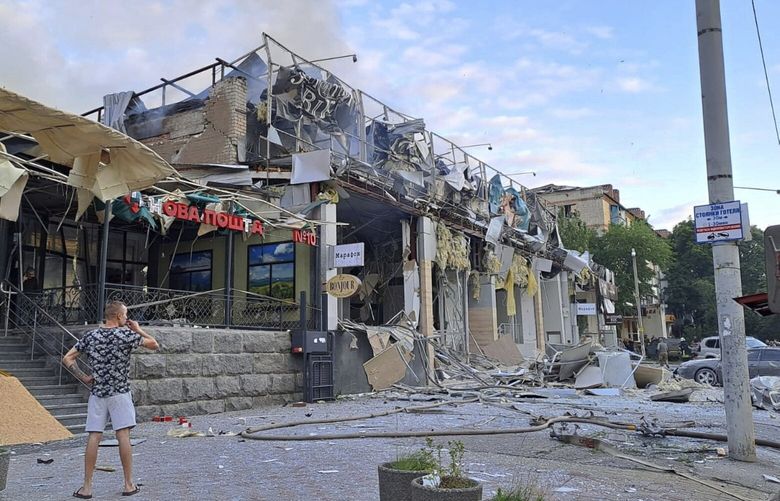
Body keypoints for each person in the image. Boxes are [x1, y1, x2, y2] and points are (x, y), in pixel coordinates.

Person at [62, 300, 159, 499]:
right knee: (123, 435)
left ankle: (87, 487)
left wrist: (84, 377)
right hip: (120, 392)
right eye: (126, 314)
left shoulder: (91, 335)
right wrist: (139, 330)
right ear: (118, 316)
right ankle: (128, 484)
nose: (127, 318)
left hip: (98, 393)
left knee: (94, 436)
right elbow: (154, 345)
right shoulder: (126, 334)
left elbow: (67, 358)